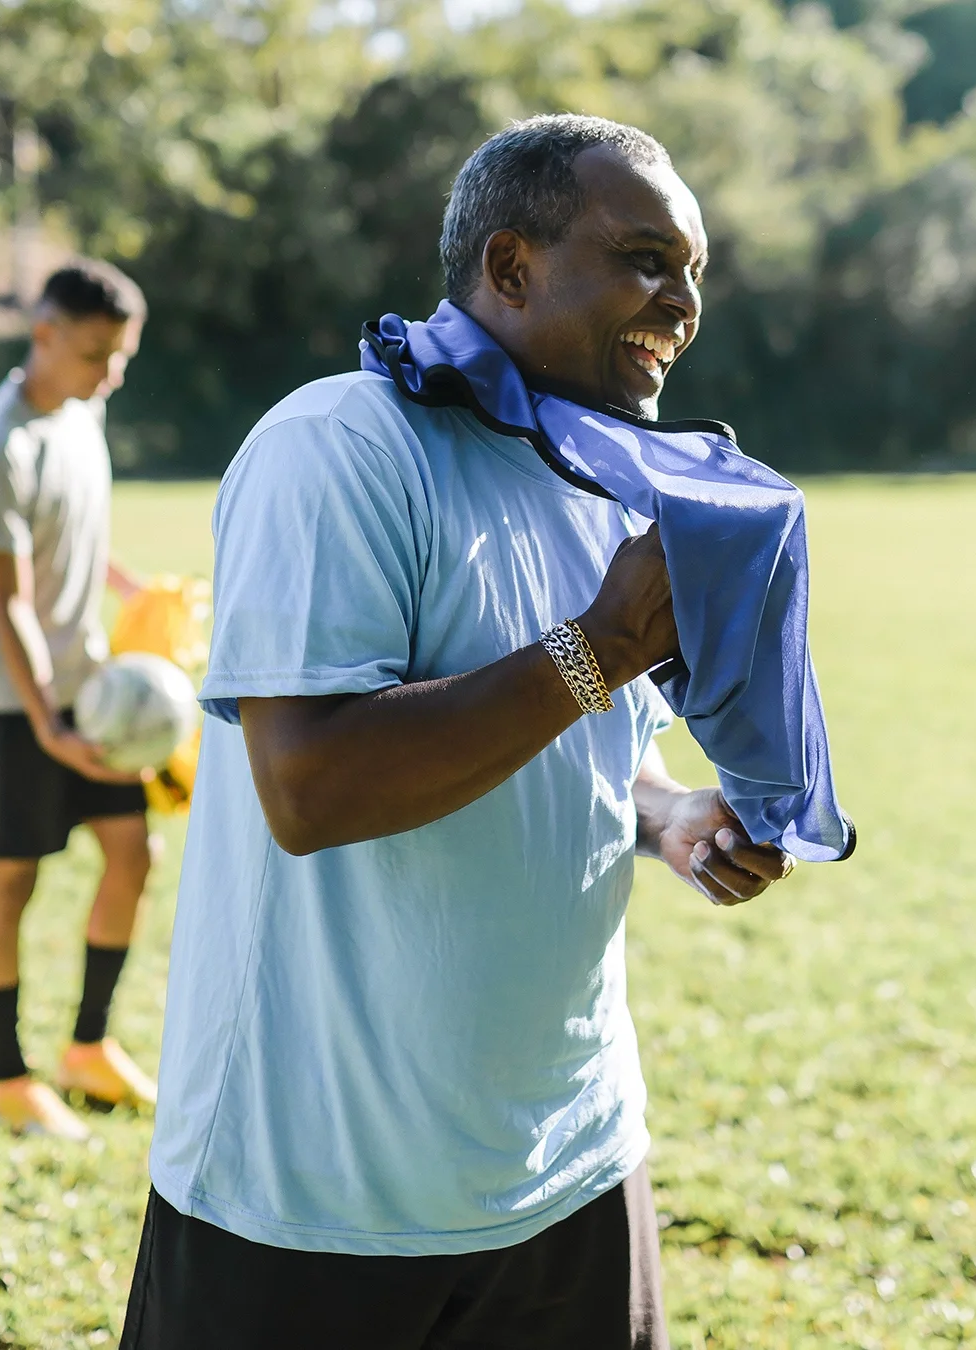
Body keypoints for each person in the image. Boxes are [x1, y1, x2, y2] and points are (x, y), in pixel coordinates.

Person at [122, 116, 801, 1349]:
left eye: (696, 270)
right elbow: (310, 786)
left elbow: (602, 744)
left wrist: (672, 816)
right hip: (317, 1198)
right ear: (511, 266)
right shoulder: (339, 445)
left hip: (576, 1162)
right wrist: (598, 647)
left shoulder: (607, 474)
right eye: (647, 257)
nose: (682, 300)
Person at [0, 260, 158, 1140]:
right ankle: (9, 1077)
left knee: (132, 853)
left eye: (120, 358)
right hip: (7, 700)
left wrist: (130, 588)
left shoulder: (83, 411)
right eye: (94, 355)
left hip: (90, 690)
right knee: (13, 882)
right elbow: (10, 606)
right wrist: (50, 726)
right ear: (42, 336)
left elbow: (76, 533)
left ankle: (87, 1047)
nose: (108, 375)